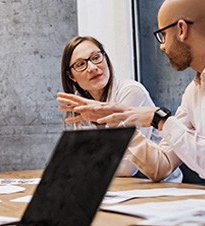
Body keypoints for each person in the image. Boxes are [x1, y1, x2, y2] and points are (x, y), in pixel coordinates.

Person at [58, 0, 205, 193]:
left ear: (181, 30)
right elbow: (162, 166)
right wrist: (120, 120)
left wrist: (159, 119)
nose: (161, 47)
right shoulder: (195, 90)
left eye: (162, 35)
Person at [58, 36, 181, 182]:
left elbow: (127, 167)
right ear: (71, 76)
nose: (92, 67)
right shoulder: (78, 103)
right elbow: (76, 162)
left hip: (159, 187)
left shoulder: (131, 91)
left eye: (96, 57)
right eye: (80, 64)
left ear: (105, 57)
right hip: (116, 188)